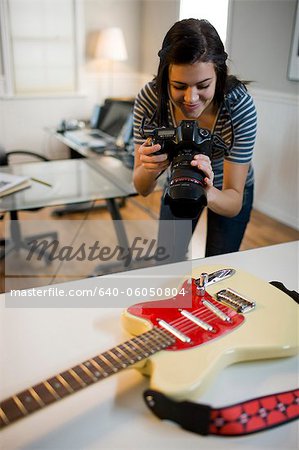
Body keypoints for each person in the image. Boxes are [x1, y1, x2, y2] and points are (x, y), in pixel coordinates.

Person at [133, 18, 257, 260]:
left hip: (225, 187)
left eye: (203, 85)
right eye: (179, 86)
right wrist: (150, 167)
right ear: (165, 77)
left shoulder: (238, 105)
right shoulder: (151, 99)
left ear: (219, 76)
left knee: (218, 266)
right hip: (179, 182)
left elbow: (233, 202)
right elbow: (141, 188)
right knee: (167, 261)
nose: (191, 98)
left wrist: (207, 191)